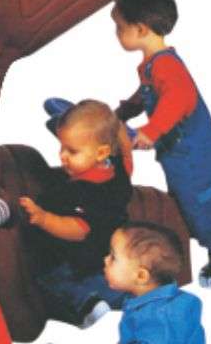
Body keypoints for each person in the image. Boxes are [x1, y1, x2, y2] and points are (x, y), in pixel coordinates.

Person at [112, 0, 211, 289]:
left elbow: (180, 98)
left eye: (119, 27)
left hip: (195, 155)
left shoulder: (165, 65)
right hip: (180, 156)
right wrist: (125, 111)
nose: (116, 33)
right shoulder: (153, 65)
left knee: (200, 211)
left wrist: (150, 131)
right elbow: (148, 94)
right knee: (186, 208)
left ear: (140, 29)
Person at [45, 221, 211, 344]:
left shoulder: (163, 316)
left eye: (113, 257)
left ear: (140, 276)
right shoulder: (148, 300)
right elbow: (146, 339)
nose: (105, 260)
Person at [19, 100, 132, 328]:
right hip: (109, 255)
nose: (62, 156)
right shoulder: (119, 172)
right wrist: (117, 126)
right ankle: (127, 299)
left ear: (102, 152)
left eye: (72, 151)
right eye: (62, 147)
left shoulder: (79, 192)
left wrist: (44, 218)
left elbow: (78, 229)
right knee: (110, 283)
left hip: (79, 259)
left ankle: (88, 306)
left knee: (52, 278)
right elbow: (125, 151)